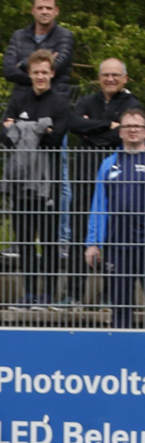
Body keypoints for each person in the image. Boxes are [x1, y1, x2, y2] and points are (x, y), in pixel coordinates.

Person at [68, 59, 141, 309]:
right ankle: (75, 294)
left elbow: (125, 133)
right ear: (99, 78)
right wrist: (106, 127)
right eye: (105, 75)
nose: (110, 79)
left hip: (117, 174)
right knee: (80, 232)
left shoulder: (132, 104)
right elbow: (74, 125)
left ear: (125, 78)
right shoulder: (87, 100)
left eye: (115, 75)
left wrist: (93, 133)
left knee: (114, 234)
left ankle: (111, 296)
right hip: (85, 175)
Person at [0, 49, 69, 311]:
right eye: (35, 72)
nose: (40, 77)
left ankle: (47, 295)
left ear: (52, 73)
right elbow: (4, 137)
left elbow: (54, 139)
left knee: (49, 241)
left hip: (48, 186)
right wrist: (39, 128)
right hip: (20, 185)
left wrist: (20, 127)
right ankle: (28, 293)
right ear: (29, 74)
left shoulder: (61, 103)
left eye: (44, 72)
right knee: (26, 241)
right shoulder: (18, 99)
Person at [85, 107, 145, 329]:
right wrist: (93, 242)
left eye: (137, 126)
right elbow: (98, 204)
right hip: (117, 247)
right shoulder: (109, 164)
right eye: (128, 126)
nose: (132, 130)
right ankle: (121, 353)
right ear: (120, 131)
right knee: (120, 306)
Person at [3, 0, 74, 99]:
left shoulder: (65, 36)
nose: (44, 12)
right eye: (40, 8)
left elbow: (57, 67)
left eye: (49, 8)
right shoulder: (18, 36)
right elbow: (8, 71)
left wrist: (22, 64)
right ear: (33, 10)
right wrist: (43, 73)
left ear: (56, 11)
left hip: (54, 101)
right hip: (22, 101)